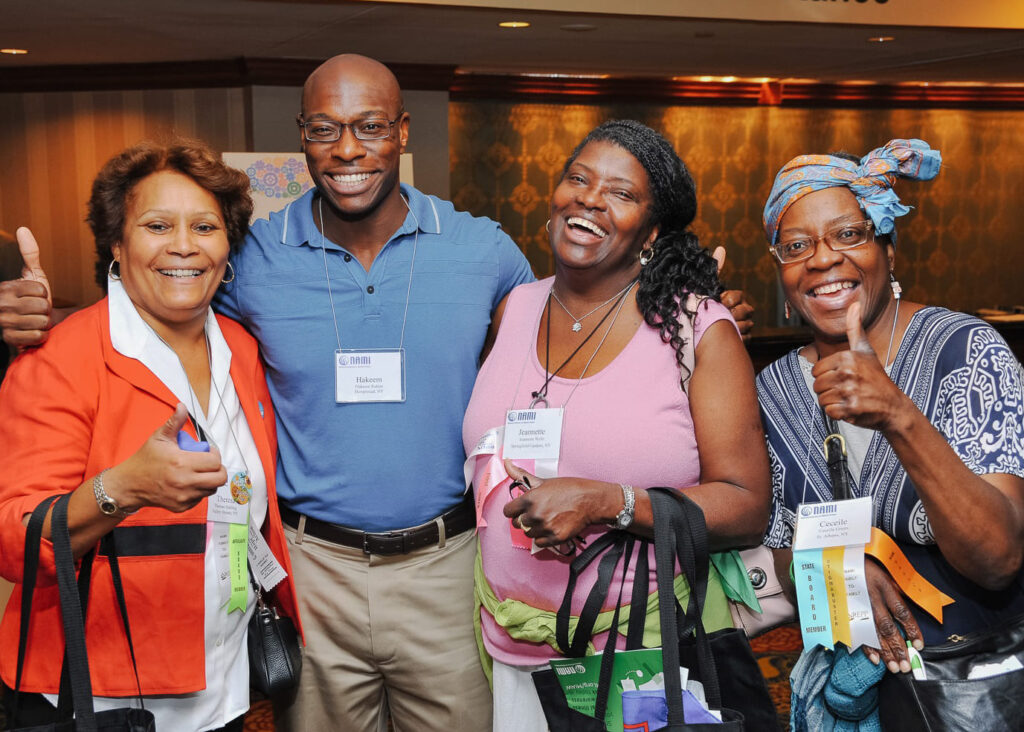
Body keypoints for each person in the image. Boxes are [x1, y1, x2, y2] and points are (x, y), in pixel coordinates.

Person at [0, 55, 756, 731]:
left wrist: (685, 313)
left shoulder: (485, 252)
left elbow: (567, 334)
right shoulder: (252, 256)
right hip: (308, 568)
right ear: (302, 136)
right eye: (325, 127)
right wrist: (41, 319)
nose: (349, 149)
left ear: (400, 132)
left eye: (369, 126)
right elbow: (162, 307)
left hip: (448, 562)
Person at [463, 119, 772, 730]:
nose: (589, 198)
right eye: (578, 179)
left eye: (621, 193)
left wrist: (609, 501)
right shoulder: (517, 307)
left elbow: (746, 506)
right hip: (509, 640)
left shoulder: (696, 330)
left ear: (651, 232)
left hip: (639, 652)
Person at [0, 139, 300, 732]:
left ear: (227, 246)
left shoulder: (242, 349)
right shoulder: (60, 357)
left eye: (205, 227)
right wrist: (121, 490)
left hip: (229, 674)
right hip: (103, 694)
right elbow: (13, 539)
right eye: (157, 225)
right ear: (117, 243)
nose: (184, 246)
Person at [757, 140, 1024, 727]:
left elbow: (999, 557)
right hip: (847, 694)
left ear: (888, 248)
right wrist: (837, 568)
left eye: (848, 235)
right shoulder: (774, 391)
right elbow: (777, 541)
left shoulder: (965, 352)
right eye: (797, 246)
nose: (823, 259)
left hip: (974, 688)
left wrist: (899, 415)